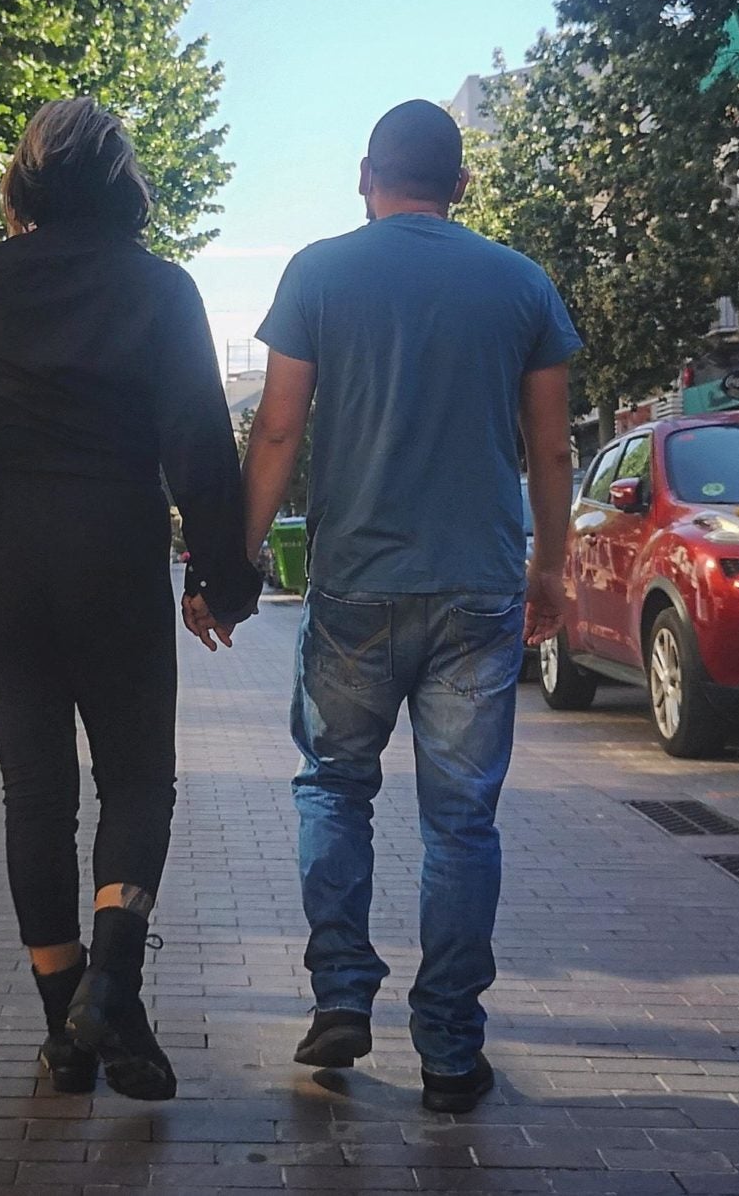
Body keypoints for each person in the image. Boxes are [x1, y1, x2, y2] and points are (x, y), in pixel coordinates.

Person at [186, 99, 579, 1114]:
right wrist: (553, 567)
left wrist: (228, 564)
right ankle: (449, 1047)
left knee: (332, 788)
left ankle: (342, 998)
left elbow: (275, 433)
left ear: (368, 174)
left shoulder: (319, 271)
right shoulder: (522, 282)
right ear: (460, 183)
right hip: (480, 585)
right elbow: (552, 447)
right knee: (461, 823)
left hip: (355, 582)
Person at [0, 97, 259, 1102]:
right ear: (124, 186)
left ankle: (69, 1027)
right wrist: (219, 577)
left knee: (35, 787)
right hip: (111, 550)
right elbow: (199, 441)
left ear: (24, 182)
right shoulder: (160, 288)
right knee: (137, 777)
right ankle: (111, 985)